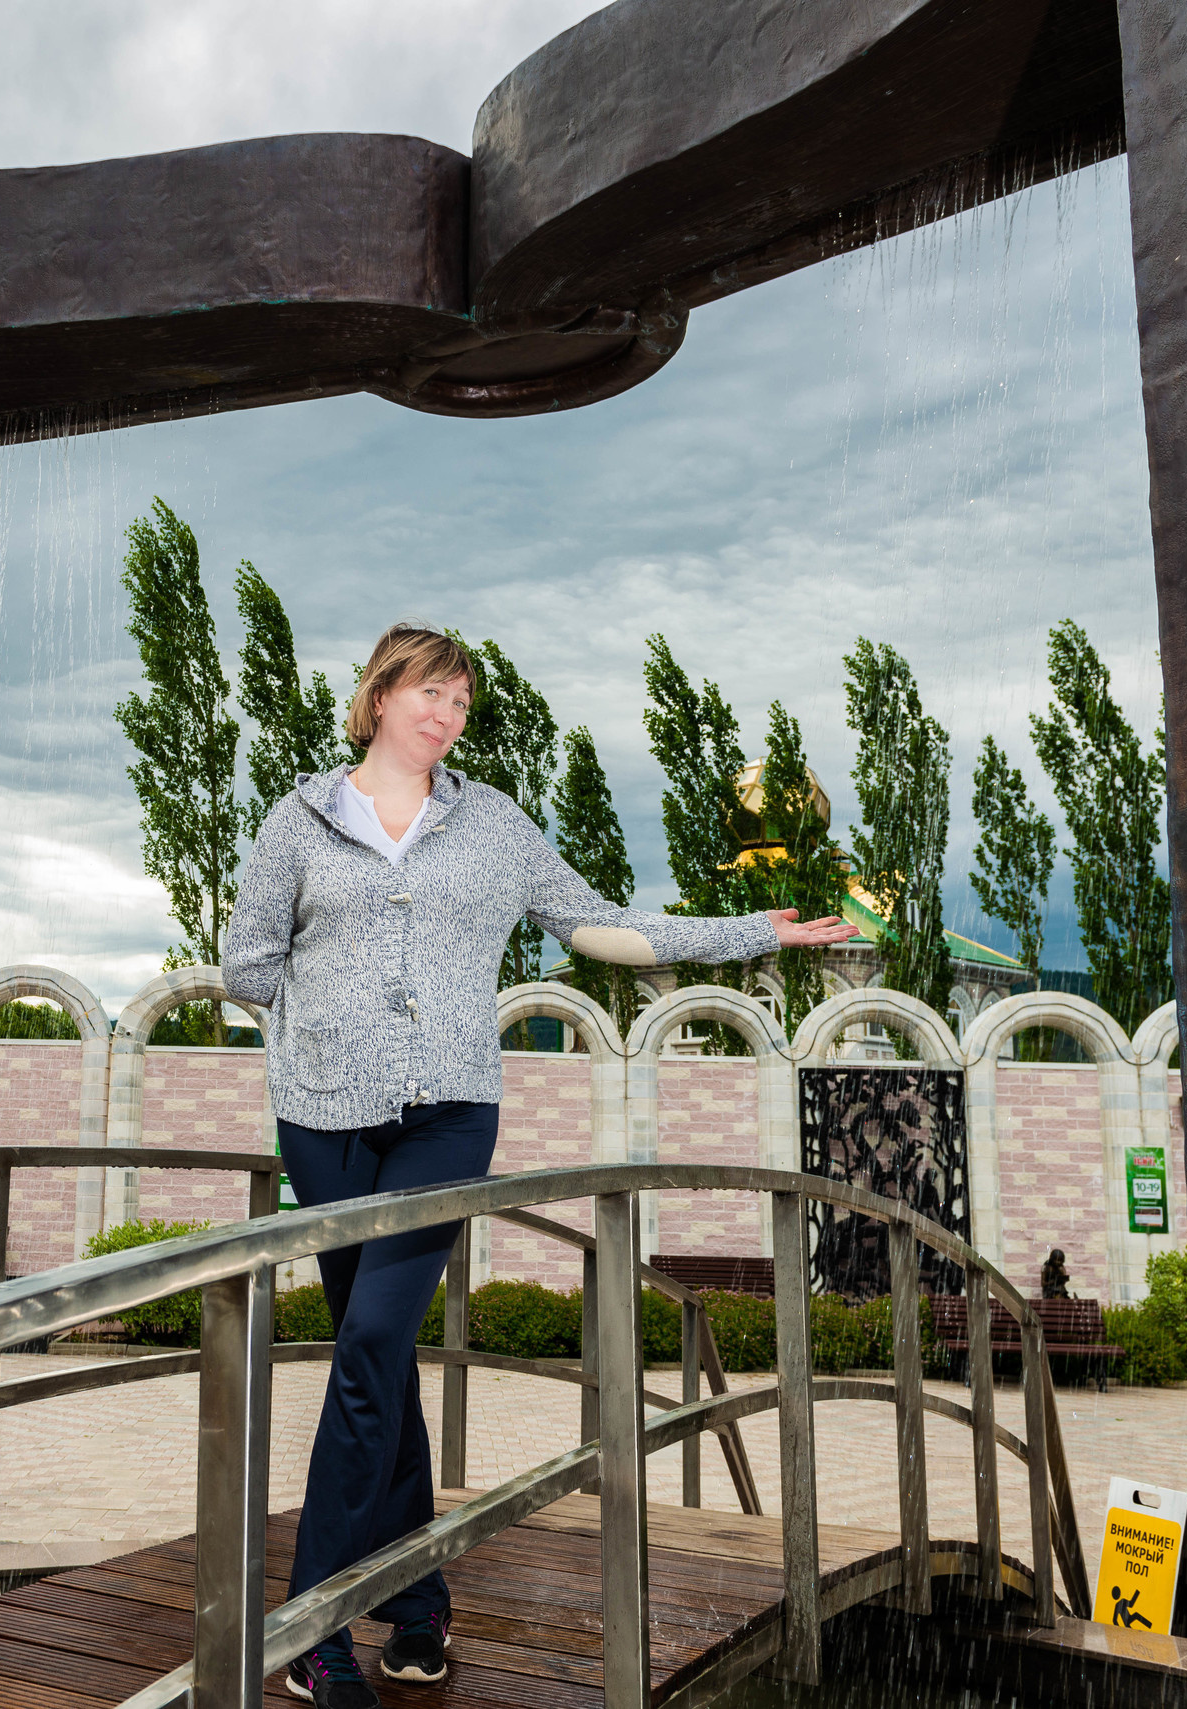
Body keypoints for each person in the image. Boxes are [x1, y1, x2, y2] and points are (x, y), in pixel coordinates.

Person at [223, 622, 856, 1707]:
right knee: (379, 1359)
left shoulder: (492, 824)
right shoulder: (298, 821)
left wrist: (748, 932)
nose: (448, 714)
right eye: (431, 693)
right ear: (380, 697)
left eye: (461, 701)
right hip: (323, 1118)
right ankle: (417, 1605)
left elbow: (596, 927)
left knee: (369, 1342)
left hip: (449, 1117)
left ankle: (310, 1625)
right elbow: (247, 965)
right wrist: (325, 1018)